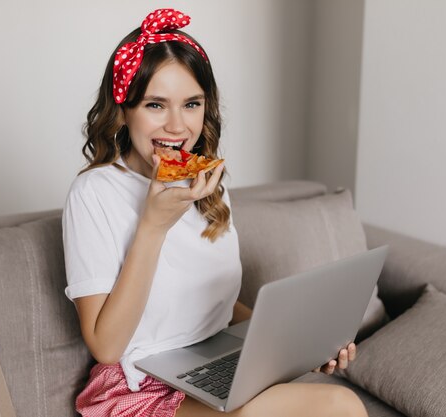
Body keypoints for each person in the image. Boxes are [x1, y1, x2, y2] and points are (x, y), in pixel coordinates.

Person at [63, 8, 368, 417]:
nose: (177, 126)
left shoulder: (209, 184)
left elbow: (217, 311)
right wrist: (153, 227)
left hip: (212, 365)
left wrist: (296, 343)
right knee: (338, 404)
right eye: (155, 105)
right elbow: (106, 346)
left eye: (191, 104)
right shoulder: (94, 192)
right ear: (122, 111)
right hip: (138, 385)